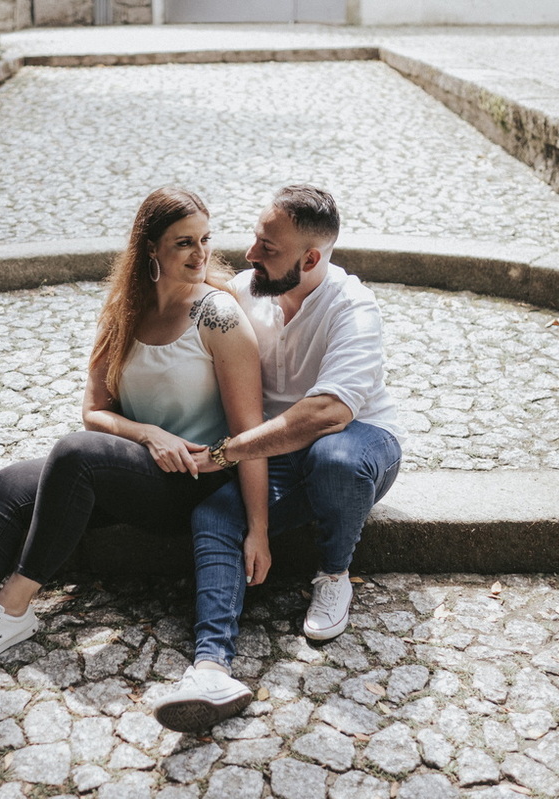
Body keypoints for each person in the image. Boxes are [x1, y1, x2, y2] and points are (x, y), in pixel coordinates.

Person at [0, 188, 267, 689]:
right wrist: (149, 433)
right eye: (183, 243)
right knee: (8, 484)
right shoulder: (125, 310)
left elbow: (251, 433)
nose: (200, 254)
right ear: (151, 248)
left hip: (193, 482)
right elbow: (94, 411)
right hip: (136, 467)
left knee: (74, 453)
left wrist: (258, 527)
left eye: (205, 239)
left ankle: (14, 607)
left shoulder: (218, 315)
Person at [150, 185, 404, 732]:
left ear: (309, 260)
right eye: (255, 239)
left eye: (267, 248)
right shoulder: (247, 292)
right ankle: (211, 667)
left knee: (334, 460)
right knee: (213, 516)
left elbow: (327, 413)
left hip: (360, 440)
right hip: (276, 453)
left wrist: (226, 452)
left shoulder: (353, 306)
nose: (250, 255)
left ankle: (334, 572)